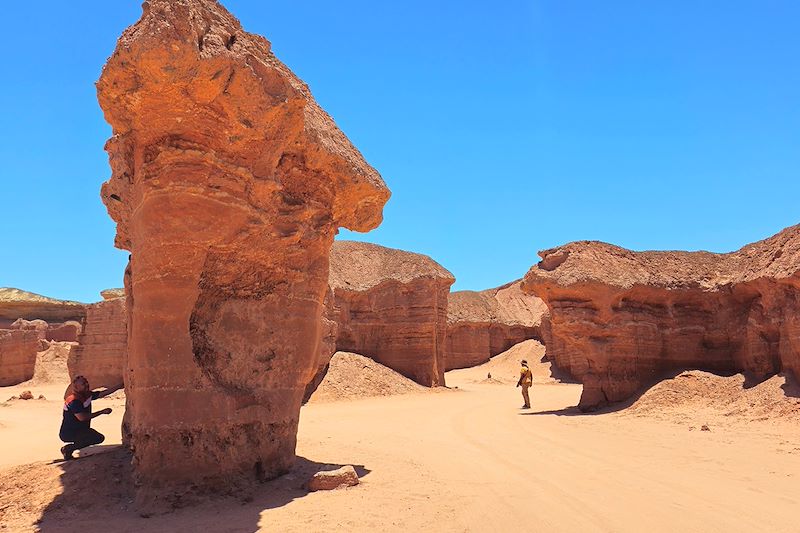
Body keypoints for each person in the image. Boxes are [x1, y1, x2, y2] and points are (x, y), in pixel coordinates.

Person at [59, 375, 122, 460]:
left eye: (86, 382)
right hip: (69, 433)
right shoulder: (74, 400)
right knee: (94, 438)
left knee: (98, 438)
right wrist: (101, 412)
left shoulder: (87, 395)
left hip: (82, 430)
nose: (87, 384)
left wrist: (119, 386)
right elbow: (82, 417)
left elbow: (103, 393)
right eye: (83, 384)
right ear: (76, 387)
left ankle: (69, 449)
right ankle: (68, 449)